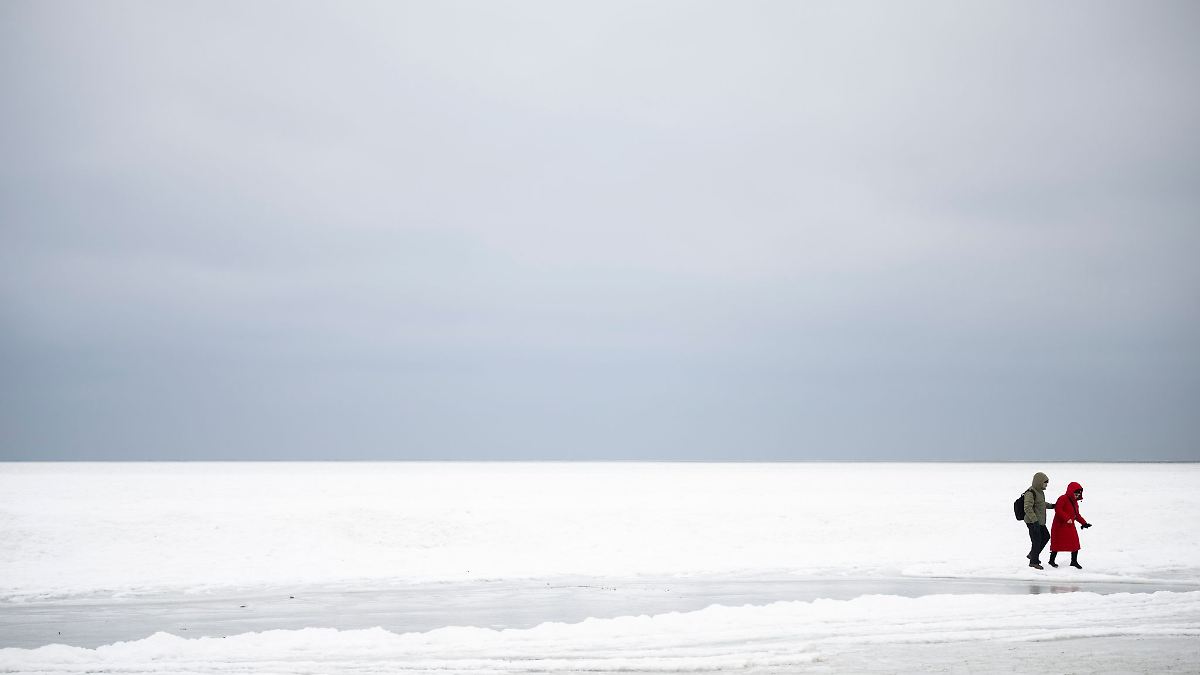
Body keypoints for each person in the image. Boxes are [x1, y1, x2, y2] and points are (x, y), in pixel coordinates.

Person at [1049, 481, 1092, 569]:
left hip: (1070, 525)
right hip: (1059, 526)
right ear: (1071, 492)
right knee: (1057, 544)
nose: (1077, 495)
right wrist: (1067, 518)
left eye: (1079, 494)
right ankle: (1051, 561)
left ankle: (1074, 561)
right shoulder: (1062, 498)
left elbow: (1077, 515)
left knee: (1075, 543)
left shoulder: (1075, 502)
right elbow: (1058, 509)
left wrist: (1084, 523)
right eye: (1076, 493)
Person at [1022, 472, 1053, 569]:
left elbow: (1041, 503)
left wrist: (1052, 506)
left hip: (1039, 521)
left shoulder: (1040, 492)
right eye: (1045, 482)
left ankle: (1033, 555)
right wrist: (1034, 521)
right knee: (1036, 541)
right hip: (1032, 521)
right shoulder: (1030, 493)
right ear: (1039, 482)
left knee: (1046, 536)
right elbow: (1027, 508)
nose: (1046, 485)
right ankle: (1033, 562)